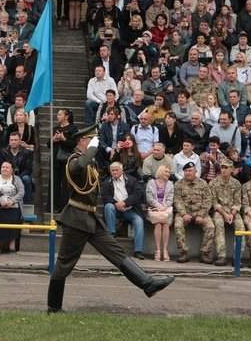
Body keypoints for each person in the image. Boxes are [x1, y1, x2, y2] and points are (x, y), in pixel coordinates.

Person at [47, 126, 174, 313]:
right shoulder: (73, 160)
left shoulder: (89, 162)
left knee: (116, 252)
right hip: (76, 219)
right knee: (64, 263)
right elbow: (79, 166)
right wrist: (92, 148)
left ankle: (147, 284)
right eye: (90, 139)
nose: (93, 143)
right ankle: (53, 306)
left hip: (90, 217)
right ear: (82, 141)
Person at [101, 161, 145, 259]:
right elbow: (105, 197)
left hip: (130, 210)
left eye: (116, 170)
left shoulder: (132, 180)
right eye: (112, 171)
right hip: (115, 209)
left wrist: (125, 202)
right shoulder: (106, 182)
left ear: (122, 171)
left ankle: (138, 250)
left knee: (139, 221)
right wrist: (115, 203)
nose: (114, 172)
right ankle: (111, 234)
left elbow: (138, 194)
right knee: (108, 206)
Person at [173, 162, 215, 263]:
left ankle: (204, 253)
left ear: (195, 172)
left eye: (190, 170)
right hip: (185, 213)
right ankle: (183, 253)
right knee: (178, 225)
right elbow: (177, 200)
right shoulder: (178, 184)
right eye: (186, 171)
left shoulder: (203, 183)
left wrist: (201, 214)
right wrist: (183, 214)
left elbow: (208, 200)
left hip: (200, 212)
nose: (188, 173)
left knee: (210, 226)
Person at [209, 158, 244, 266]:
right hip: (219, 211)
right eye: (222, 167)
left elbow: (238, 202)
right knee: (218, 224)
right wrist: (225, 214)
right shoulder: (213, 183)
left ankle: (237, 257)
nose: (223, 170)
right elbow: (214, 202)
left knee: (240, 226)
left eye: (226, 168)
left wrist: (232, 214)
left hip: (233, 211)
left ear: (231, 170)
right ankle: (221, 256)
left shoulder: (236, 184)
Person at [0, 160, 24, 254]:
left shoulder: (17, 179)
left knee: (14, 219)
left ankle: (12, 246)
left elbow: (21, 192)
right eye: (3, 167)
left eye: (7, 167)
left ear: (12, 170)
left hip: (13, 206)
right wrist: (0, 201)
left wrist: (12, 201)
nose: (5, 169)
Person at [145, 164, 174, 261]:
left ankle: (165, 250)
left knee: (165, 223)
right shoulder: (151, 183)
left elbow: (170, 199)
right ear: (161, 172)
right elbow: (149, 198)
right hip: (154, 209)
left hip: (166, 209)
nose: (168, 174)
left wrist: (164, 207)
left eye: (169, 172)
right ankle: (158, 250)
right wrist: (158, 206)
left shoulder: (170, 184)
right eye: (166, 172)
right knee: (158, 223)